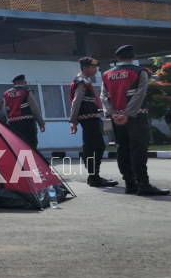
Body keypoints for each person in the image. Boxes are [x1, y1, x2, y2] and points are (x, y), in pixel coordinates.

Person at [101, 45, 170, 196]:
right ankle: (143, 185)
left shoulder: (106, 74)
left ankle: (130, 184)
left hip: (117, 119)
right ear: (134, 57)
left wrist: (113, 114)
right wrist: (127, 114)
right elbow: (140, 94)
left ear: (118, 58)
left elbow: (104, 97)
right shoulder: (140, 72)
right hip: (136, 117)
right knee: (138, 150)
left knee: (123, 149)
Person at [69, 57, 118, 188]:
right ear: (85, 68)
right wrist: (73, 120)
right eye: (93, 67)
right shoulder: (81, 82)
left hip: (90, 117)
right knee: (94, 147)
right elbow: (76, 102)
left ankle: (94, 176)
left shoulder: (83, 81)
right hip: (88, 118)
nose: (96, 70)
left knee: (95, 146)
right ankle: (94, 177)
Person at [4, 74, 45, 148]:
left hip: (13, 124)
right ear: (25, 82)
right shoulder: (27, 91)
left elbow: (5, 110)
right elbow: (34, 108)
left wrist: (9, 122)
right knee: (30, 145)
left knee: (16, 146)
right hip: (27, 124)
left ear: (14, 83)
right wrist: (41, 123)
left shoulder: (7, 93)